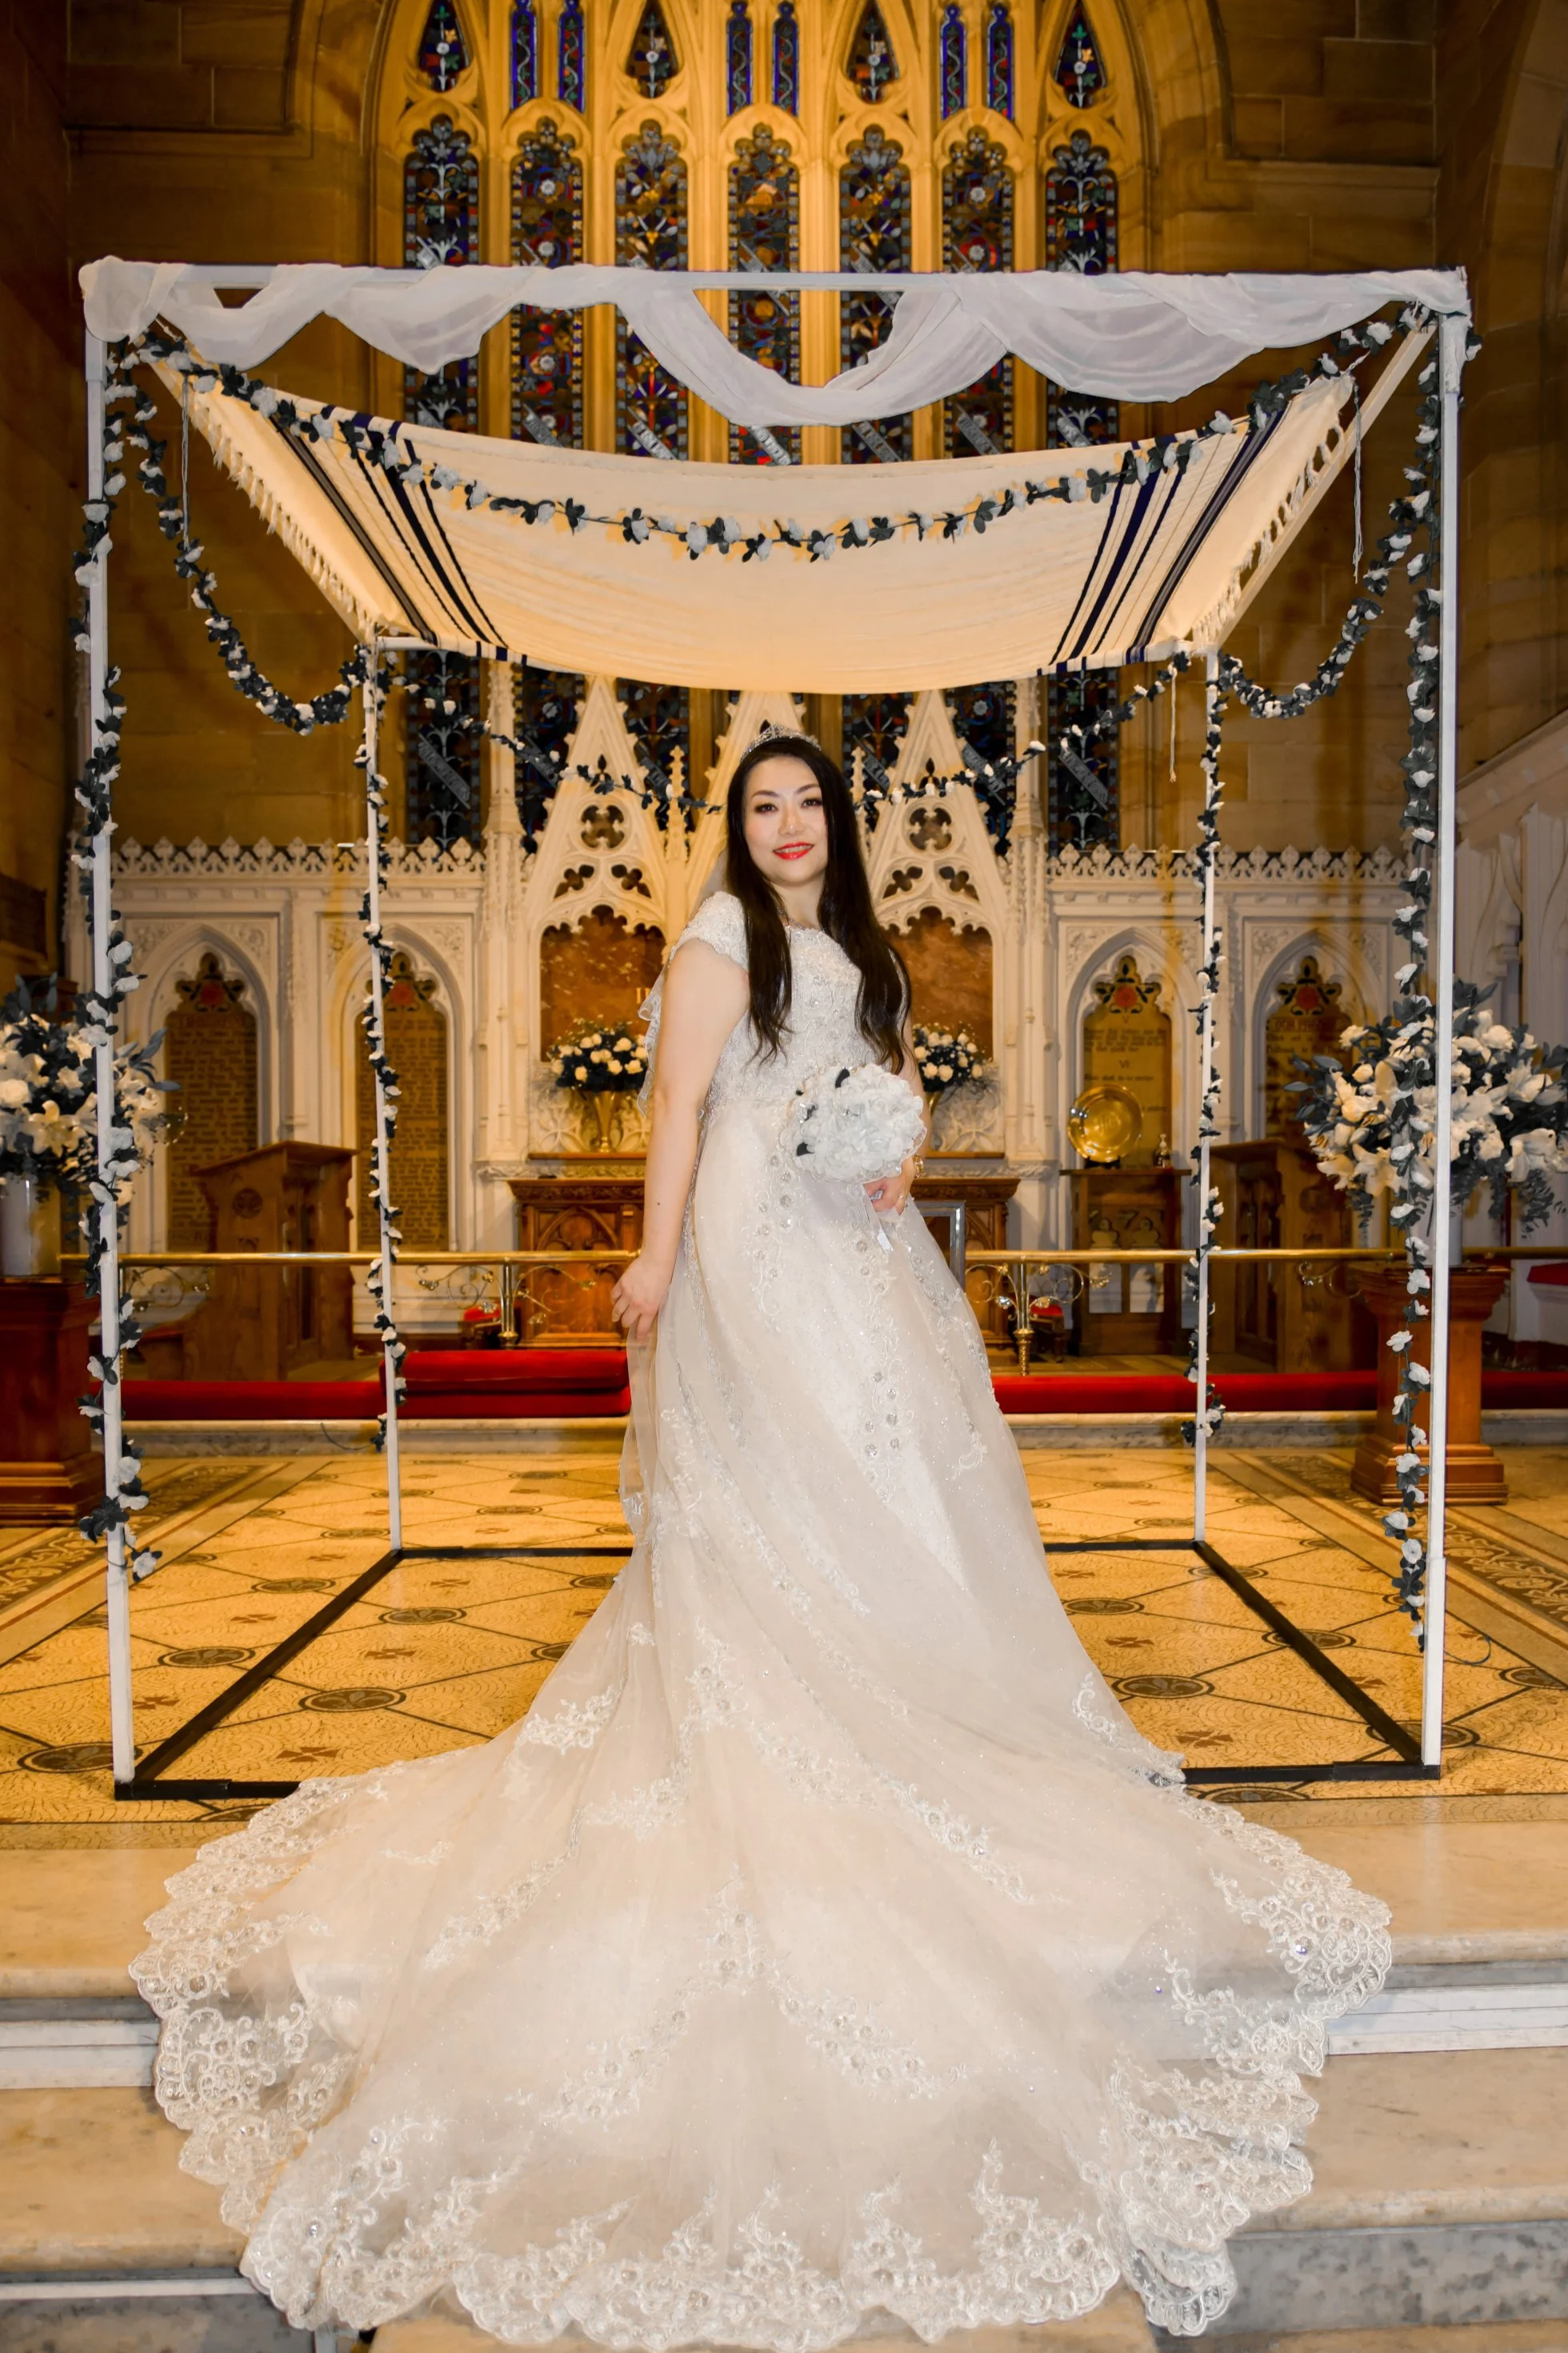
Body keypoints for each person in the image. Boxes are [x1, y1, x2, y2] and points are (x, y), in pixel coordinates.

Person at [133, 729, 1390, 2349]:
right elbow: (682, 1112)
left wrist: (895, 1149)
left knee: (885, 1488)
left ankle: (900, 1720)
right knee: (780, 1492)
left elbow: (865, 1089)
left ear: (834, 823)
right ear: (731, 831)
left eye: (804, 805)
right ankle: (785, 1717)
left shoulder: (851, 947)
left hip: (850, 1257)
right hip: (741, 1243)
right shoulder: (716, 942)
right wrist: (656, 1264)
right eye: (761, 808)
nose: (785, 828)